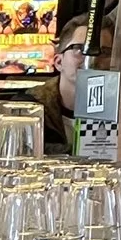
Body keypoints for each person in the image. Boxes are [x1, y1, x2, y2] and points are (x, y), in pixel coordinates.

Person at [37, 14, 91, 155]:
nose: (92, 59)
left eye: (104, 52)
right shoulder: (33, 107)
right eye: (80, 49)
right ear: (58, 62)